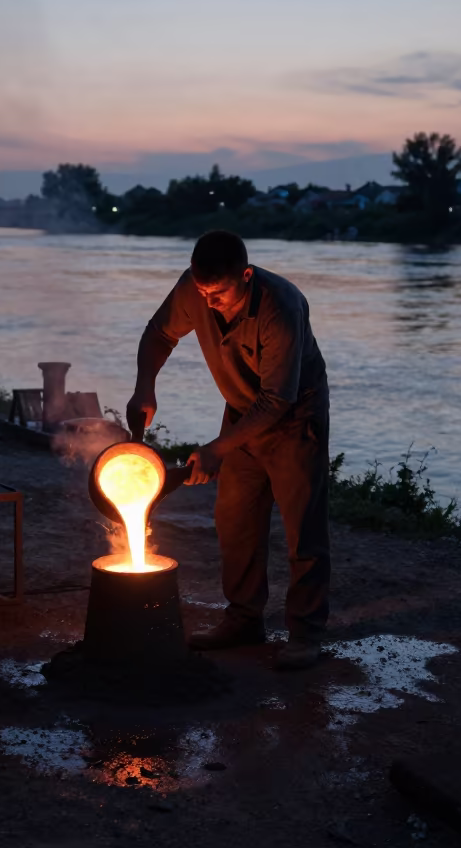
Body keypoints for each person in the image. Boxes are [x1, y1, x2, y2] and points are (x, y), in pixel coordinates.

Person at [126, 229, 330, 669]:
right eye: (203, 291)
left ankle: (306, 632)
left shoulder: (281, 306)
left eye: (218, 293)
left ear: (247, 276)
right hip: (241, 413)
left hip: (295, 418)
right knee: (234, 519)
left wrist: (218, 448)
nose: (209, 301)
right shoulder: (193, 287)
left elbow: (277, 399)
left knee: (303, 528)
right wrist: (145, 386)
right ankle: (243, 619)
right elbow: (159, 334)